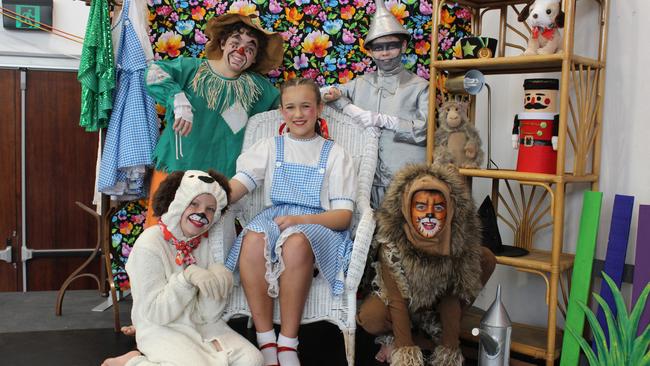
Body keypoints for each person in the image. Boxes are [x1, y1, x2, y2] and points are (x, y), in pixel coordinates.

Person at [224, 78, 357, 366]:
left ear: (319, 108)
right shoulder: (270, 146)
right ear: (282, 112)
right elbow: (240, 185)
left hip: (320, 223)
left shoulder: (334, 153)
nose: (298, 114)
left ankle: (287, 342)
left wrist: (302, 219)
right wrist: (214, 199)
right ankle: (266, 341)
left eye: (306, 107)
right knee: (254, 237)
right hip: (277, 217)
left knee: (295, 242)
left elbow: (344, 216)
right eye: (291, 107)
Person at [102, 170, 264, 366]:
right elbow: (156, 313)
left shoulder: (204, 243)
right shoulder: (149, 243)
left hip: (203, 325)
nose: (202, 213)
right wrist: (186, 280)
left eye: (210, 209)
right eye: (194, 204)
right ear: (176, 202)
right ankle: (133, 361)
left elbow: (208, 315)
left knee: (253, 360)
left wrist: (218, 284)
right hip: (161, 327)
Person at [143, 13, 283, 227]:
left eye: (250, 47)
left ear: (254, 58)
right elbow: (153, 72)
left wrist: (324, 95)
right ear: (223, 43)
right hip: (175, 169)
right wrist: (177, 97)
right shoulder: (191, 68)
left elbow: (290, 104)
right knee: (158, 234)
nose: (240, 51)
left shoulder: (258, 89)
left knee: (206, 247)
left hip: (217, 182)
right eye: (235, 42)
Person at [356, 163, 497, 366]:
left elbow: (452, 295)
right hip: (401, 301)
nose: (429, 214)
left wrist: (449, 350)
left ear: (448, 210)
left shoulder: (454, 239)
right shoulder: (392, 241)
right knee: (371, 317)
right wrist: (406, 352)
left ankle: (433, 332)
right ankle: (401, 339)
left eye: (438, 207)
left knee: (485, 257)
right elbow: (396, 300)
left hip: (435, 302)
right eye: (421, 207)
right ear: (407, 208)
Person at [322, 0, 429, 209]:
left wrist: (384, 120)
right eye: (379, 48)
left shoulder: (419, 86)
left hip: (405, 178)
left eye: (391, 46)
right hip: (365, 179)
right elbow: (321, 94)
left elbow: (425, 131)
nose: (385, 53)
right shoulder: (360, 84)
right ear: (370, 52)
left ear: (404, 46)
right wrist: (345, 105)